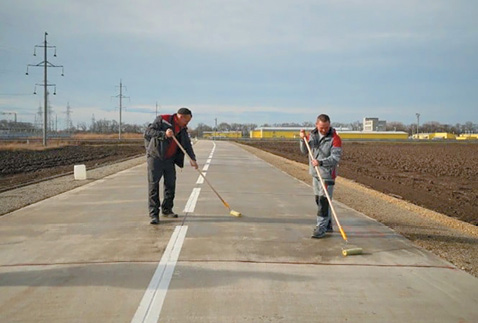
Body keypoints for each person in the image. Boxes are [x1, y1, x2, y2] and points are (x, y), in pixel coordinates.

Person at [144, 107, 198, 225]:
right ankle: (154, 214)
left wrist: (193, 159)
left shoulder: (182, 129)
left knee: (170, 184)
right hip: (155, 157)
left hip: (169, 159)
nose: (187, 123)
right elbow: (148, 132)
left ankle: (167, 209)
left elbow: (187, 145)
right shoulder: (163, 120)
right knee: (153, 185)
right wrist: (164, 134)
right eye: (187, 121)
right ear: (181, 117)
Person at [299, 114, 342, 238]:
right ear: (317, 125)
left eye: (326, 127)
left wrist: (321, 162)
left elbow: (335, 158)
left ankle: (321, 227)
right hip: (315, 173)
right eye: (322, 127)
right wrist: (302, 139)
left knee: (324, 201)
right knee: (319, 200)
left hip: (327, 175)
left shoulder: (335, 138)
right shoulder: (312, 136)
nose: (324, 130)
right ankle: (327, 223)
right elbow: (304, 151)